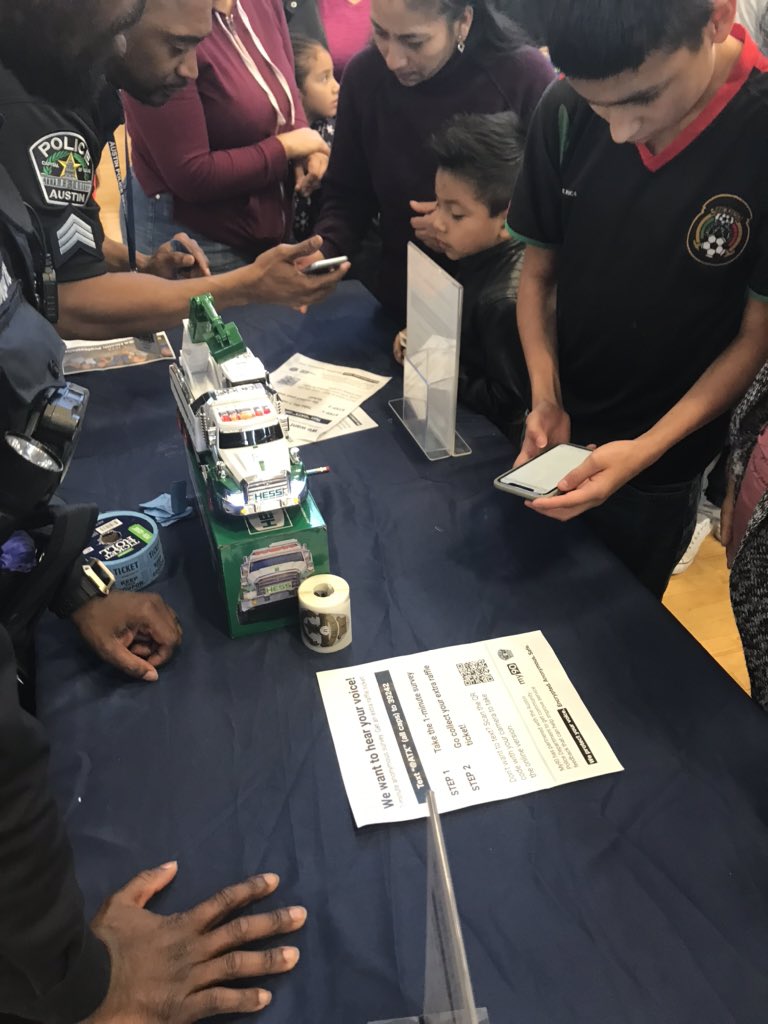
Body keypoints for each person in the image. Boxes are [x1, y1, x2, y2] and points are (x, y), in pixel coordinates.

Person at [0, 4, 307, 1021]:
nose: (184, 62)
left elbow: (45, 298)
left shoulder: (48, 95)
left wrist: (56, 577)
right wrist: (78, 985)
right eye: (155, 30)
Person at [505, 0, 768, 598]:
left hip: (664, 461)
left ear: (716, 18)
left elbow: (756, 335)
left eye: (644, 98)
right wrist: (545, 397)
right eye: (600, 106)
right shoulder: (564, 108)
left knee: (619, 624)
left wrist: (645, 451)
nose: (621, 131)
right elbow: (539, 276)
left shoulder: (757, 130)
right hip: (557, 430)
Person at [0, 0, 347, 343]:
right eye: (177, 47)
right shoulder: (45, 99)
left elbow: (56, 241)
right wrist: (246, 286)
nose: (191, 70)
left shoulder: (90, 86)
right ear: (122, 23)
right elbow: (71, 302)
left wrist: (140, 264)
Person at [310, 0, 554, 316]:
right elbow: (347, 194)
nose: (393, 60)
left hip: (502, 307)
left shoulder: (523, 77)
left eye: (414, 42)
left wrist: (475, 229)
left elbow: (555, 209)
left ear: (463, 22)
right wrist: (324, 252)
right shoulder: (365, 76)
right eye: (380, 33)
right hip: (404, 300)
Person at [123, 0, 330, 274]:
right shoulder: (164, 14)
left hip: (264, 227)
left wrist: (303, 142)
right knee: (199, 302)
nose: (190, 68)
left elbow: (285, 86)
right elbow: (191, 174)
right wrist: (285, 147)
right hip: (196, 237)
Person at [393, 112, 527, 437]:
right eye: (438, 204)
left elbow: (507, 402)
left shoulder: (504, 301)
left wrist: (432, 364)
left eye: (455, 214)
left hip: (489, 440)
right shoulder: (475, 252)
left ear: (508, 219)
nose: (437, 222)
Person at [292, 35, 339, 241]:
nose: (336, 87)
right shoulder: (282, 140)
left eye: (333, 76)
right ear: (297, 91)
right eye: (324, 78)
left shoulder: (334, 133)